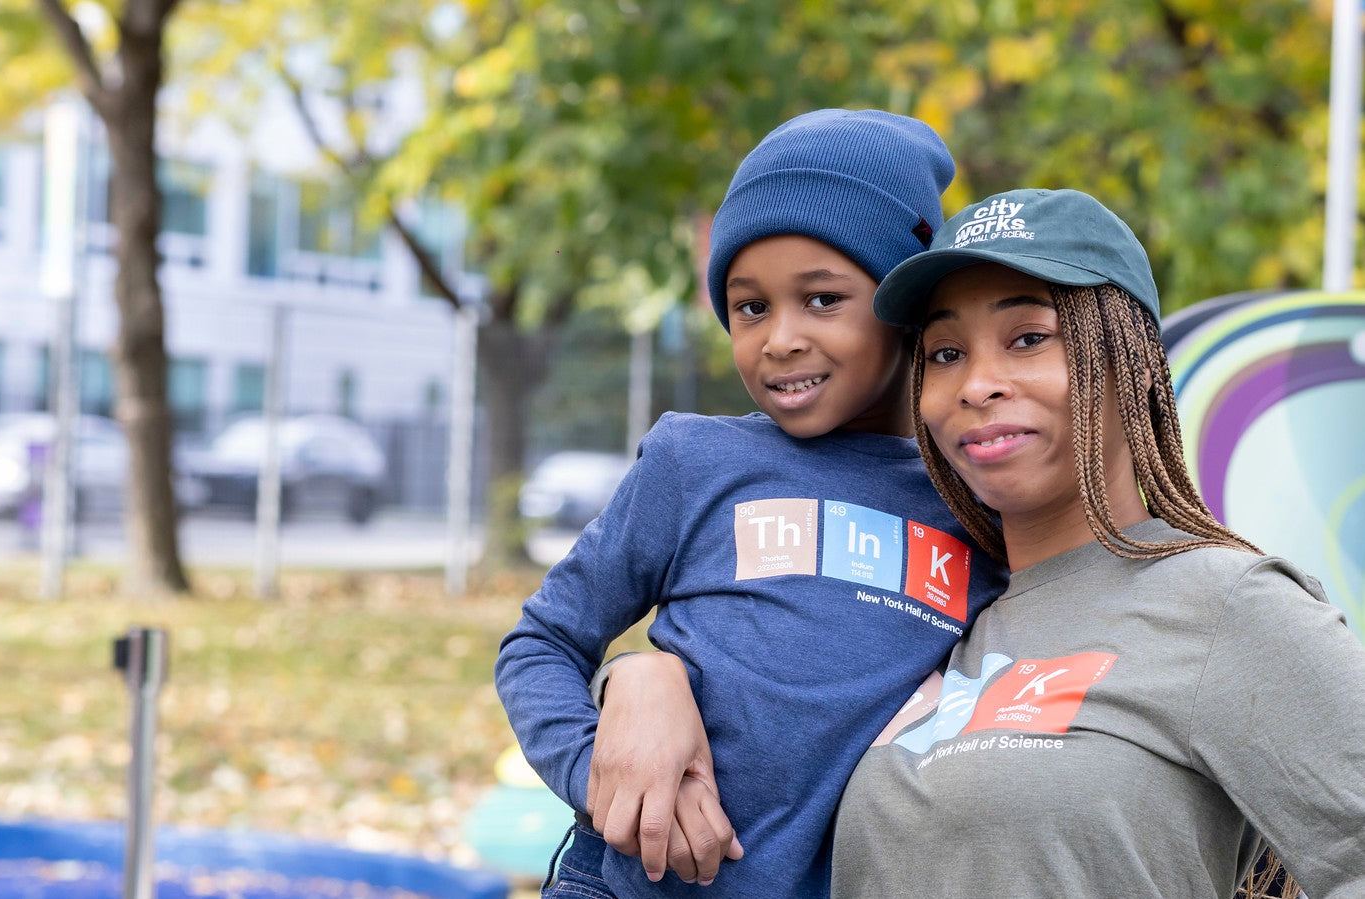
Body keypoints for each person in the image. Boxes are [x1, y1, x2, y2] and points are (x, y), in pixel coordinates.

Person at [493, 109, 1009, 899]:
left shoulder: (978, 503)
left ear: (905, 304)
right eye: (750, 306)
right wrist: (607, 777)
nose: (779, 338)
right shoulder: (695, 461)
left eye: (822, 299)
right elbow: (539, 643)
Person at [829, 187, 1365, 897]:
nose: (976, 384)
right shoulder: (935, 607)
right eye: (946, 352)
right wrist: (640, 680)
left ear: (1132, 360)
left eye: (1027, 338)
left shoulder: (1226, 602)